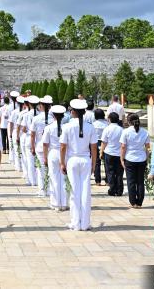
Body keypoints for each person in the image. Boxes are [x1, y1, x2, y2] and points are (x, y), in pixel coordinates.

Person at [60, 99, 97, 231]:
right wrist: (93, 164)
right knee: (86, 192)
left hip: (72, 160)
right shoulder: (90, 127)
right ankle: (85, 223)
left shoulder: (67, 126)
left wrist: (62, 162)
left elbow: (63, 147)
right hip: (85, 160)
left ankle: (75, 223)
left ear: (73, 112)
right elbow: (94, 148)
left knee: (74, 192)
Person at [120, 113, 151, 208]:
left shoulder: (126, 132)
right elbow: (148, 147)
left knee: (131, 182)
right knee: (140, 181)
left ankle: (133, 202)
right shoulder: (145, 132)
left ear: (128, 121)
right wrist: (147, 158)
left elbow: (123, 147)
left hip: (129, 159)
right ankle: (139, 202)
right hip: (141, 159)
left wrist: (121, 159)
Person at [42, 105, 68, 211]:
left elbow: (45, 144)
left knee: (54, 178)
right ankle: (64, 203)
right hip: (64, 153)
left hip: (53, 153)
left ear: (53, 115)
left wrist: (44, 157)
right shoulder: (66, 127)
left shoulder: (48, 127)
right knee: (64, 178)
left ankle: (55, 203)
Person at [100, 113, 125, 196]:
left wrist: (101, 152)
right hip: (119, 154)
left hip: (109, 153)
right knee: (119, 173)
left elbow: (104, 142)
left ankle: (112, 189)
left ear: (109, 119)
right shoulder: (122, 130)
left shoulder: (107, 129)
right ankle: (119, 190)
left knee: (110, 172)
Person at [92, 109, 108, 186]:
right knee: (106, 162)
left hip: (95, 143)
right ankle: (108, 180)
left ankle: (97, 180)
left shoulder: (93, 124)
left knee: (97, 162)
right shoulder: (107, 124)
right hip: (105, 143)